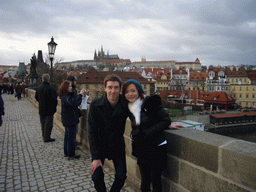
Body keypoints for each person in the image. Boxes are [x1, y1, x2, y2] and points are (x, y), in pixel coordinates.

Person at [122, 79, 182, 192]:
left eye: (133, 91)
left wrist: (147, 133)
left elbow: (165, 120)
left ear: (139, 90)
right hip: (142, 147)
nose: (130, 94)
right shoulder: (129, 106)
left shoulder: (150, 101)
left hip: (157, 146)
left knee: (155, 180)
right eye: (126, 92)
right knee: (145, 179)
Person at [88, 74, 129, 192]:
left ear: (120, 89)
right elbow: (92, 132)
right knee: (96, 176)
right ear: (105, 88)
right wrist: (96, 158)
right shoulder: (95, 106)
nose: (113, 91)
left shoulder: (125, 103)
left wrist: (165, 122)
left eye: (116, 87)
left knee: (121, 176)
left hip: (117, 145)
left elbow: (141, 112)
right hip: (100, 146)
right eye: (110, 87)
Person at [58, 80, 86, 160]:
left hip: (70, 119)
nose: (71, 87)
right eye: (69, 86)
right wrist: (80, 94)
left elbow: (76, 101)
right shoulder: (65, 97)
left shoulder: (67, 96)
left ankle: (67, 153)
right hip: (70, 120)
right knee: (71, 138)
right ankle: (70, 154)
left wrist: (81, 95)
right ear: (65, 87)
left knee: (68, 136)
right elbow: (74, 102)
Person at [35, 74, 58, 142]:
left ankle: (44, 135)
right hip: (49, 109)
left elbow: (36, 97)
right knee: (48, 124)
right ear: (48, 80)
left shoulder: (39, 88)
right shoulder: (51, 88)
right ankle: (47, 137)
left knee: (43, 123)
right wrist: (54, 108)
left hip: (42, 108)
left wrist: (41, 102)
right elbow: (54, 100)